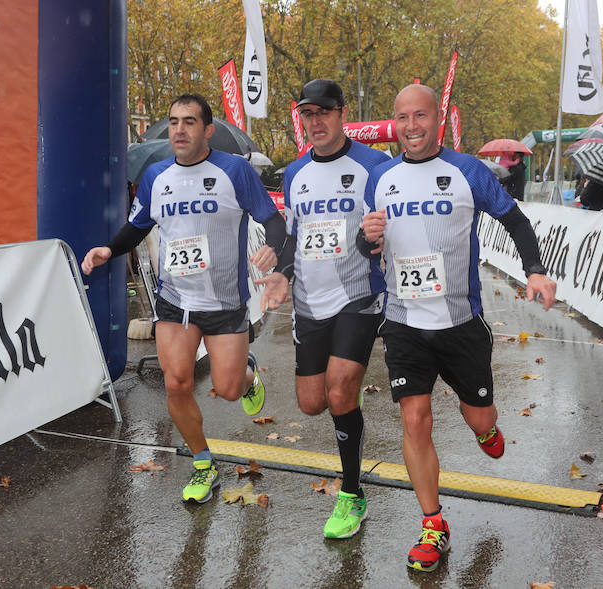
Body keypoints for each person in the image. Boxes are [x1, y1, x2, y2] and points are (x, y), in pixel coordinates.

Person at [360, 84, 557, 572]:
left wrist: (534, 269)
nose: (411, 126)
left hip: (460, 322)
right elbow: (369, 246)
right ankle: (433, 524)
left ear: (438, 118)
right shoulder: (380, 178)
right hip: (404, 321)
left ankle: (487, 430)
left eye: (420, 115)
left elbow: (515, 220)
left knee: (480, 421)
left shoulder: (468, 171)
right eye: (402, 117)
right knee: (414, 419)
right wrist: (367, 242)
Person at [81, 94, 286, 503]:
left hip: (226, 303)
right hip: (175, 301)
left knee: (227, 389)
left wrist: (276, 254)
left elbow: (273, 220)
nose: (179, 129)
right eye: (174, 122)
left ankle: (246, 377)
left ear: (207, 130)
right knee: (177, 385)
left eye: (189, 122)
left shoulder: (235, 171)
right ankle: (203, 464)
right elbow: (138, 226)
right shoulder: (157, 176)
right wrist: (109, 249)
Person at [257, 79, 390, 539]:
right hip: (310, 302)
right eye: (307, 114)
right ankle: (343, 422)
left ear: (341, 113)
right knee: (312, 404)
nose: (315, 122)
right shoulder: (295, 173)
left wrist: (377, 241)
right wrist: (283, 272)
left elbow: (391, 226)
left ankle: (352, 494)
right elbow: (294, 235)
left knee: (339, 391)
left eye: (324, 113)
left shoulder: (375, 166)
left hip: (359, 295)